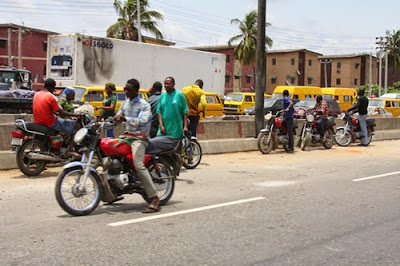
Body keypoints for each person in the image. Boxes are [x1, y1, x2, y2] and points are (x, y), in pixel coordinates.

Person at [114, 78, 160, 213]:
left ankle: (154, 197)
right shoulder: (125, 104)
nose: (126, 92)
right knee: (107, 153)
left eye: (128, 89)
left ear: (136, 90)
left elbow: (143, 120)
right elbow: (118, 116)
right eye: (125, 89)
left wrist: (125, 119)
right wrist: (110, 120)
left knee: (138, 164)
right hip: (127, 136)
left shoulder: (144, 105)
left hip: (140, 138)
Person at [33, 78, 80, 157]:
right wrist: (76, 115)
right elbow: (62, 114)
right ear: (53, 87)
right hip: (50, 122)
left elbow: (46, 108)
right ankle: (70, 149)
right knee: (76, 126)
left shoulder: (37, 94)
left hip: (38, 121)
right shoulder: (52, 97)